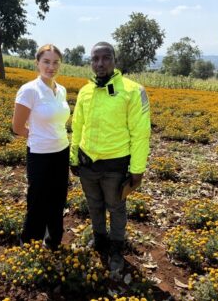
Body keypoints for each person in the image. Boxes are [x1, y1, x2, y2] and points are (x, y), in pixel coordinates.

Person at [70, 42, 151, 272]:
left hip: (115, 165)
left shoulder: (134, 90)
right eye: (95, 59)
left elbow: (141, 133)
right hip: (88, 163)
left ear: (115, 60)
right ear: (90, 63)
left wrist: (137, 170)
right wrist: (74, 157)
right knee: (94, 205)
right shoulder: (86, 91)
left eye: (106, 58)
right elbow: (77, 126)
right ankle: (100, 240)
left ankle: (116, 247)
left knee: (116, 208)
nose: (100, 64)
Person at [12, 44, 70, 250]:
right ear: (37, 63)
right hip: (40, 154)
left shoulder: (61, 90)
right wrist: (38, 135)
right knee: (37, 202)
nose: (51, 66)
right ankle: (29, 245)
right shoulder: (29, 90)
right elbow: (17, 127)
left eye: (55, 62)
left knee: (58, 199)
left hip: (62, 151)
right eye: (46, 61)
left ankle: (53, 241)